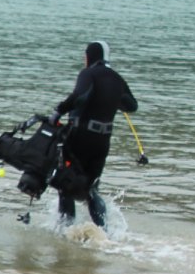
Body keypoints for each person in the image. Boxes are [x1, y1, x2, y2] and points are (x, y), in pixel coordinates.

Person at [55, 42, 139, 230]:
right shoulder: (117, 78)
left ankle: (64, 231)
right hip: (102, 142)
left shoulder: (87, 74)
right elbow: (132, 106)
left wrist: (58, 111)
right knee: (91, 189)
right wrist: (112, 98)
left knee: (65, 185)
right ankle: (103, 232)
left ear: (89, 56)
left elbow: (78, 95)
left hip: (80, 138)